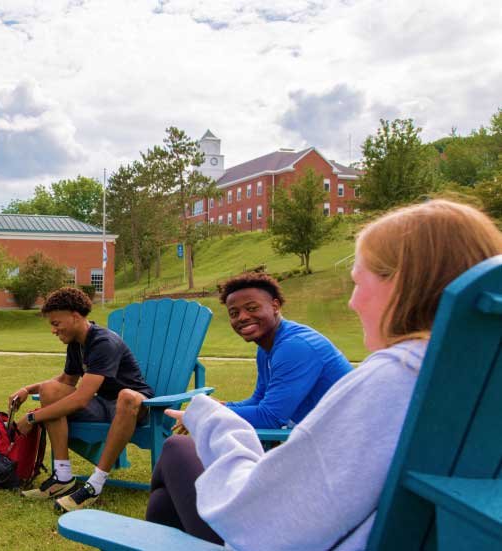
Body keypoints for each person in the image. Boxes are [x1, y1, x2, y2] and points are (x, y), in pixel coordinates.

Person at [146, 199, 502, 549]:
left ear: (405, 283)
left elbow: (264, 521)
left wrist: (209, 416)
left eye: (358, 283)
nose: (352, 302)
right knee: (166, 500)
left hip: (268, 534)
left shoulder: (394, 377)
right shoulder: (471, 381)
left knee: (178, 449)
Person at [9, 287, 154, 512]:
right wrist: (28, 389)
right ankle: (63, 477)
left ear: (75, 317)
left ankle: (94, 485)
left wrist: (32, 417)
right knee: (51, 390)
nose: (53, 330)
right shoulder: (77, 344)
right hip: (104, 405)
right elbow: (66, 380)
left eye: (56, 323)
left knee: (126, 396)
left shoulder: (103, 342)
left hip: (137, 408)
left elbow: (81, 400)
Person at [218, 272, 352, 429]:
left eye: (252, 308)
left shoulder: (296, 346)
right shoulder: (266, 349)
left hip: (354, 439)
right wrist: (223, 406)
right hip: (326, 436)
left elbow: (270, 417)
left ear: (275, 306)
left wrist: (206, 415)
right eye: (234, 313)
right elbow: (259, 399)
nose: (242, 317)